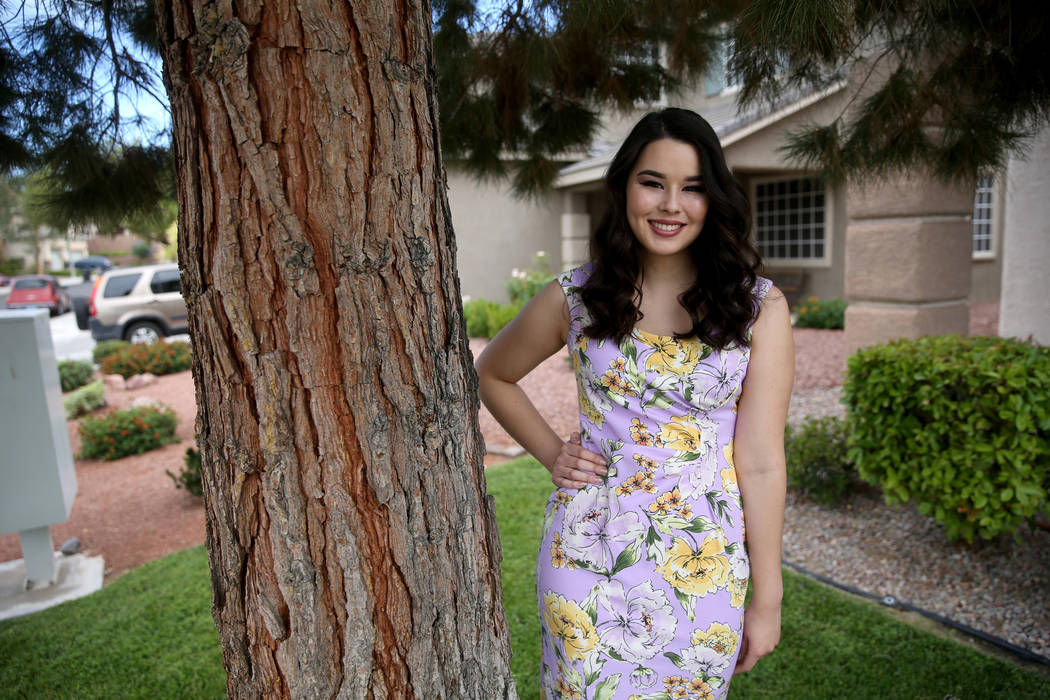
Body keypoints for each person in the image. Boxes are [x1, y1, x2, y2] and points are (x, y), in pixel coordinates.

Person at [475, 107, 793, 699]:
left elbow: (764, 463)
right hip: (587, 555)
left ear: (713, 199)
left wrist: (767, 601)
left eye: (693, 188)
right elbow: (493, 373)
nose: (671, 204)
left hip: (705, 565)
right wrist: (552, 455)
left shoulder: (757, 308)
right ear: (624, 186)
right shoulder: (578, 296)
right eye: (653, 183)